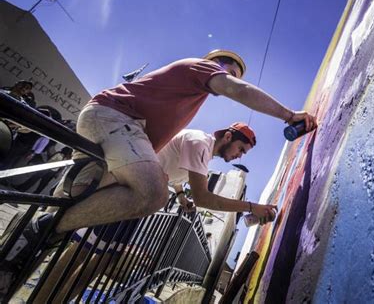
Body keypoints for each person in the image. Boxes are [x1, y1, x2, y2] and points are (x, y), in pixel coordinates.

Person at [0, 49, 316, 282]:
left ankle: (27, 247)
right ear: (213, 63)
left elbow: (175, 173)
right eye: (227, 69)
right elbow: (238, 90)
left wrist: (179, 194)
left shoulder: (190, 99)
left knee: (75, 200)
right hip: (116, 119)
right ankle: (44, 228)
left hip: (120, 134)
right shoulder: (199, 69)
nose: (229, 77)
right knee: (152, 195)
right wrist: (290, 116)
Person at [34, 122, 270, 302]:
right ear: (228, 136)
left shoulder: (202, 152)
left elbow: (173, 171)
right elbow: (204, 197)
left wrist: (179, 195)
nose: (239, 155)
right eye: (241, 149)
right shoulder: (199, 142)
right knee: (81, 253)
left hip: (135, 204)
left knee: (100, 261)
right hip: (125, 195)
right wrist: (251, 207)